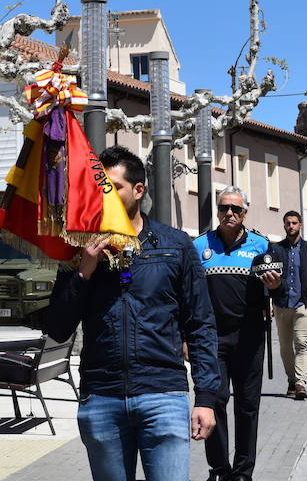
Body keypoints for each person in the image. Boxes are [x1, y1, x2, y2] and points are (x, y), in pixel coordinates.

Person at [44, 146, 220, 481]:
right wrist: (84, 272)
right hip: (102, 399)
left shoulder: (175, 245)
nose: (103, 195)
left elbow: (200, 325)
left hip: (163, 396)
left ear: (138, 190)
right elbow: (58, 328)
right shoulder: (80, 248)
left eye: (112, 188)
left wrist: (206, 398)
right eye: (99, 188)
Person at [193, 186, 282, 481]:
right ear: (217, 211)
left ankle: (244, 472)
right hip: (211, 339)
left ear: (245, 213)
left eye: (236, 209)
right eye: (223, 208)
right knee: (214, 401)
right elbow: (188, 295)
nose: (229, 213)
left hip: (249, 337)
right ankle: (219, 469)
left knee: (247, 405)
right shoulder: (199, 246)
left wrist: (274, 287)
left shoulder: (261, 245)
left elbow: (280, 290)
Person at [271, 211, 307, 400]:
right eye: (288, 223)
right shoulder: (276, 249)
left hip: (305, 304)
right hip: (282, 304)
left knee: (302, 343)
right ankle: (291, 380)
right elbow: (267, 278)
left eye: (294, 223)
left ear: (300, 225)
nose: (291, 226)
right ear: (284, 225)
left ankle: (301, 383)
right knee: (285, 347)